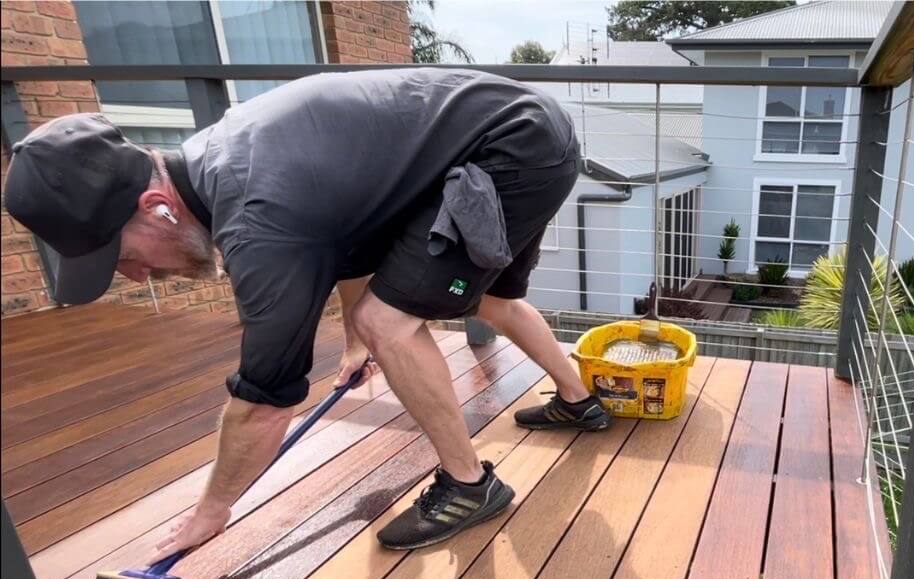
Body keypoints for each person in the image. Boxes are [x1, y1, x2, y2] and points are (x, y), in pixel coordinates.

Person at [3, 69, 612, 554]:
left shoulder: (259, 222)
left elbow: (264, 406)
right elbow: (346, 243)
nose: (134, 275)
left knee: (389, 323)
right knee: (492, 299)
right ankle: (580, 403)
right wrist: (352, 345)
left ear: (157, 207)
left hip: (507, 152)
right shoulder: (215, 157)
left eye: (122, 254)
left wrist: (212, 510)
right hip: (526, 128)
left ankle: (470, 486)